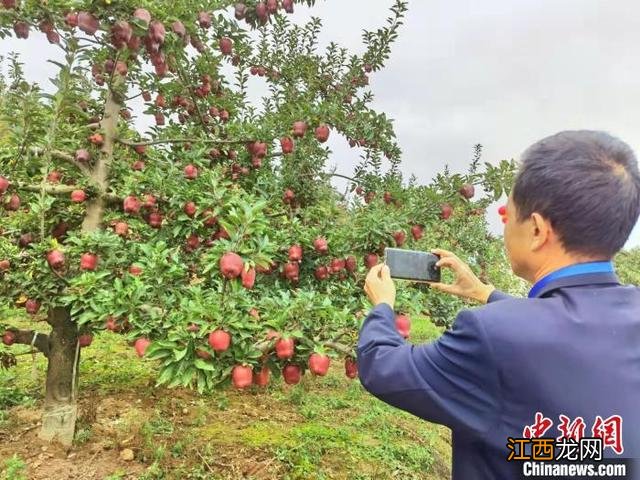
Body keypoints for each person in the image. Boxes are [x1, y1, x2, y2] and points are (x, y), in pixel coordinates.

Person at [357, 130, 640, 480]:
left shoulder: (492, 335)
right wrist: (484, 292)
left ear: (536, 230)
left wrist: (382, 307)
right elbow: (570, 330)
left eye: (508, 215)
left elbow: (384, 368)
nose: (504, 227)